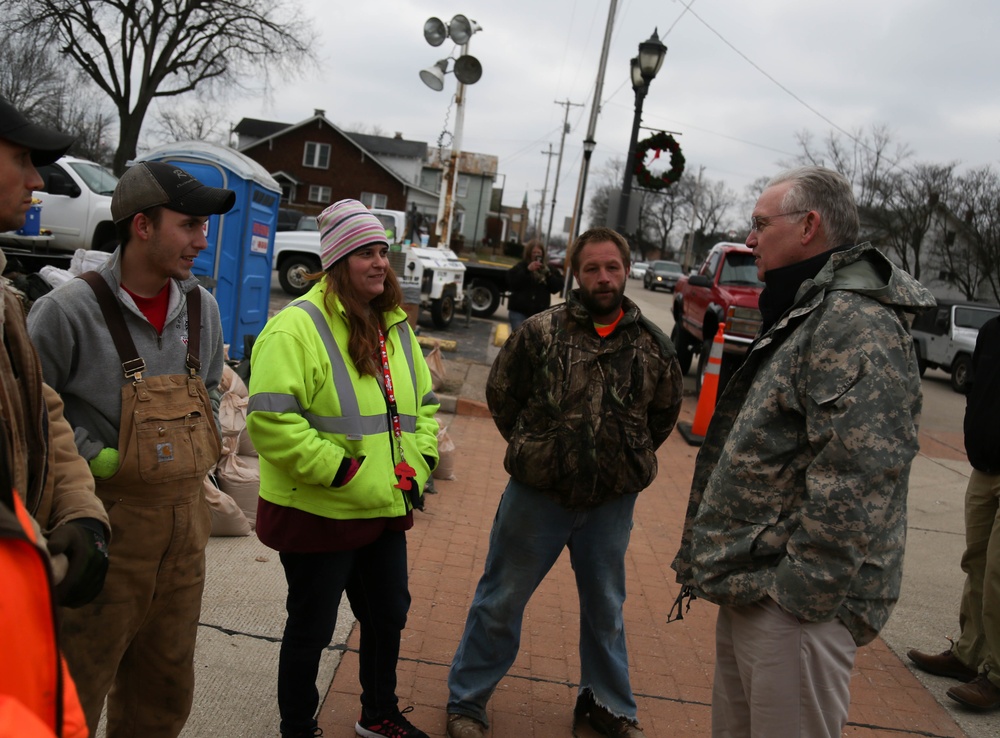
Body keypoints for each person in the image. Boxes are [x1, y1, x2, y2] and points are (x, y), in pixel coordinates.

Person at [671, 166, 936, 738]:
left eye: (762, 224)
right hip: (758, 583)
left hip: (793, 604)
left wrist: (799, 594)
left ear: (809, 225)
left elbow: (860, 474)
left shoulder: (854, 320)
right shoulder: (808, 308)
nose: (750, 239)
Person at [445, 226, 683, 738]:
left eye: (612, 267)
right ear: (576, 273)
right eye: (592, 268)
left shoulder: (653, 347)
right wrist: (541, 450)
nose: (603, 277)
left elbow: (663, 416)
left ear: (625, 271)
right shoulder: (540, 332)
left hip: (609, 506)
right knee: (501, 600)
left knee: (606, 609)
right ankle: (467, 701)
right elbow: (503, 396)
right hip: (537, 498)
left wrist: (619, 461)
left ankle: (606, 706)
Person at [27, 159, 235, 737]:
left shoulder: (203, 310)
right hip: (106, 531)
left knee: (164, 692)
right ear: (142, 226)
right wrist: (96, 454)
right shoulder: (67, 313)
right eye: (189, 225)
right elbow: (29, 410)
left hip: (185, 533)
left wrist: (207, 434)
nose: (202, 240)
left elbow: (214, 385)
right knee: (73, 691)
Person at [246, 198, 440, 738]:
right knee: (311, 628)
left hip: (382, 505)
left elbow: (423, 407)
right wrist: (344, 473)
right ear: (336, 263)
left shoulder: (393, 326)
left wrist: (419, 464)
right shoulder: (295, 329)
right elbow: (271, 422)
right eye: (364, 253)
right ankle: (297, 728)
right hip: (321, 508)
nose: (379, 262)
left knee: (387, 615)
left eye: (383, 251)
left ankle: (378, 714)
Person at [0, 95, 110, 738]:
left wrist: (80, 510)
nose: (39, 181)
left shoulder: (6, 301)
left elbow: (42, 408)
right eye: (21, 159)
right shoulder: (63, 310)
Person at [908, 314, 1000, 710]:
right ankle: (968, 655)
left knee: (999, 572)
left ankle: (996, 676)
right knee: (976, 561)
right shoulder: (993, 331)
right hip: (984, 465)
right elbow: (977, 390)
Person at [505, 239, 563, 330]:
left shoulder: (548, 269)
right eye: (534, 252)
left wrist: (548, 275)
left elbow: (557, 287)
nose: (536, 255)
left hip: (539, 315)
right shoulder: (521, 266)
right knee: (521, 341)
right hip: (519, 312)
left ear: (542, 254)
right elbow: (512, 282)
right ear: (529, 254)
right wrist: (527, 270)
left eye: (539, 253)